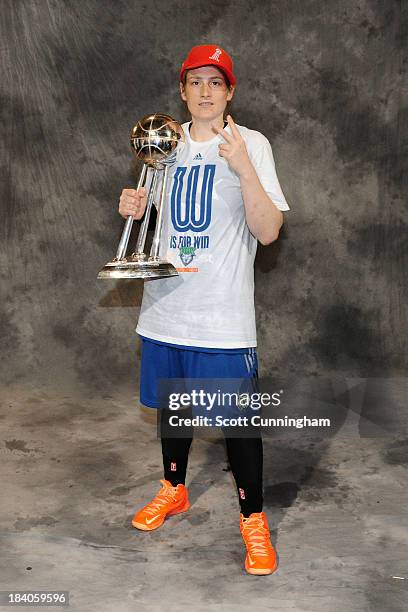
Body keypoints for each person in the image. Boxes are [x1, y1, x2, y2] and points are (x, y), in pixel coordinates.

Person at [118, 44, 290, 575]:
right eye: (196, 82)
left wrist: (242, 169)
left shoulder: (250, 143)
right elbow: (160, 232)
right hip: (166, 309)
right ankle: (174, 488)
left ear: (230, 91)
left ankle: (253, 518)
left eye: (217, 82)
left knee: (237, 423)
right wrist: (136, 210)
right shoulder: (163, 143)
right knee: (175, 410)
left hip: (221, 315)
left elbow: (268, 231)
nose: (206, 92)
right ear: (182, 89)